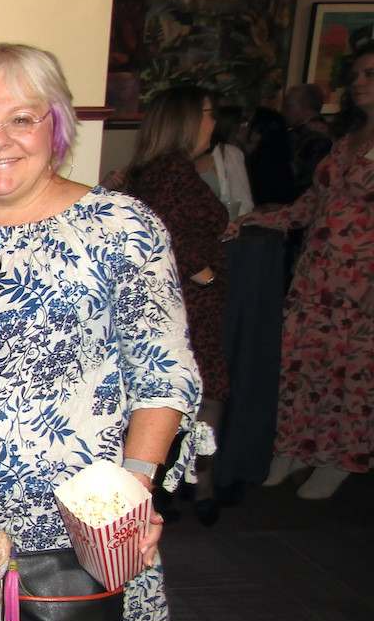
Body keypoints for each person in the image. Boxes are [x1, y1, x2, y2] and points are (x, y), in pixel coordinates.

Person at [0, 44, 203, 621]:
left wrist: (133, 492)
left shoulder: (120, 226)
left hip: (67, 527)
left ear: (56, 124)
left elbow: (164, 374)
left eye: (21, 118)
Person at [250, 45, 374, 500]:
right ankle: (293, 449)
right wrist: (267, 218)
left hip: (361, 280)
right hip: (316, 272)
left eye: (369, 74)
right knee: (302, 364)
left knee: (349, 372)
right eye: (355, 75)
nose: (358, 82)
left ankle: (337, 459)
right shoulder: (348, 136)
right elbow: (314, 203)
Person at [125, 86, 229, 525]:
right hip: (186, 302)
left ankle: (186, 485)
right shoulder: (170, 170)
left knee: (189, 390)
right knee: (197, 389)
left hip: (182, 300)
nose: (213, 121)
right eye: (207, 112)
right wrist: (203, 272)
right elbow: (159, 232)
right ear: (185, 119)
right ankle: (188, 488)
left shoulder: (158, 169)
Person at [205, 104, 254, 218]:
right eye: (245, 123)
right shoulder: (230, 153)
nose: (249, 128)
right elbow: (243, 203)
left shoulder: (233, 152)